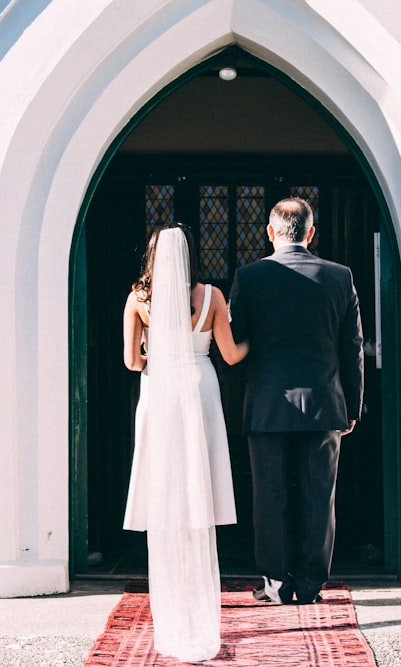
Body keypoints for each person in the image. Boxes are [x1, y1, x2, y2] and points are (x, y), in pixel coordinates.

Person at [121, 222, 248, 663]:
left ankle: (173, 603)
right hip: (199, 385)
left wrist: (157, 351)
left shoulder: (138, 300)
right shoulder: (212, 297)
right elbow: (231, 355)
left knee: (167, 483)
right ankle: (200, 599)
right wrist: (255, 341)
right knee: (199, 478)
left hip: (160, 390)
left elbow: (131, 360)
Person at [228, 197, 365, 606]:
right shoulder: (339, 277)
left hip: (268, 404)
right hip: (324, 404)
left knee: (270, 496)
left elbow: (236, 344)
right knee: (319, 495)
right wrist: (352, 406)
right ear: (310, 233)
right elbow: (352, 348)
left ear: (270, 233)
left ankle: (274, 583)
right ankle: (309, 585)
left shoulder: (250, 278)